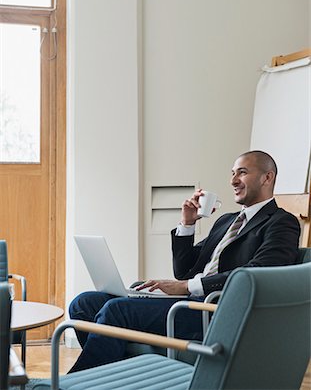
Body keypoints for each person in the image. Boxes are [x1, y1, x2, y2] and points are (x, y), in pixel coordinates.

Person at [68, 150, 300, 372]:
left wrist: (188, 286)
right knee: (83, 303)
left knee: (116, 310)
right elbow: (185, 270)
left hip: (217, 310)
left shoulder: (281, 222)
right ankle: (114, 372)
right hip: (189, 301)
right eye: (232, 173)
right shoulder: (227, 221)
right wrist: (187, 224)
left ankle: (78, 383)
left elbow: (260, 272)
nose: (233, 181)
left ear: (266, 177)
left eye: (242, 172)